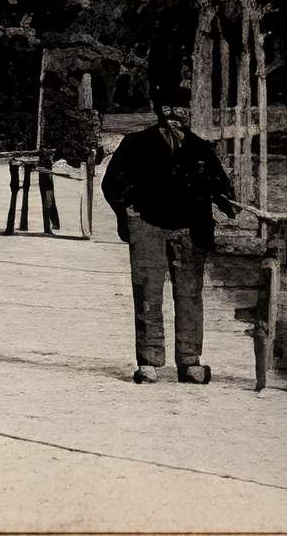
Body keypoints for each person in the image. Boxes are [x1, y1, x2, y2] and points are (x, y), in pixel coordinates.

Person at [99, 92, 237, 383]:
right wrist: (129, 213)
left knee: (189, 294)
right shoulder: (135, 144)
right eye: (169, 107)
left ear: (189, 111)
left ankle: (190, 361)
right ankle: (149, 362)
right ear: (159, 110)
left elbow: (221, 187)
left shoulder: (201, 148)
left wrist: (226, 202)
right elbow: (111, 183)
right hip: (148, 226)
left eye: (182, 108)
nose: (176, 113)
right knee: (148, 293)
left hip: (190, 229)